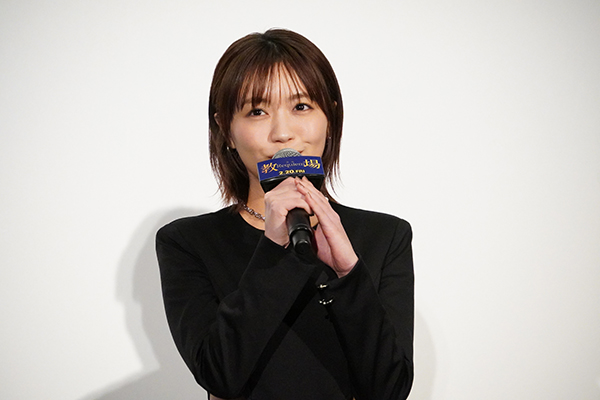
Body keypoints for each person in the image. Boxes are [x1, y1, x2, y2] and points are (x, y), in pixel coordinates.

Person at [156, 28, 414, 400]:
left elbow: (389, 390)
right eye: (257, 111)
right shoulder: (187, 243)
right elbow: (219, 374)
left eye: (301, 107)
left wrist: (349, 274)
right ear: (226, 129)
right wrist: (274, 252)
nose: (283, 133)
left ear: (330, 118)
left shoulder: (385, 236)